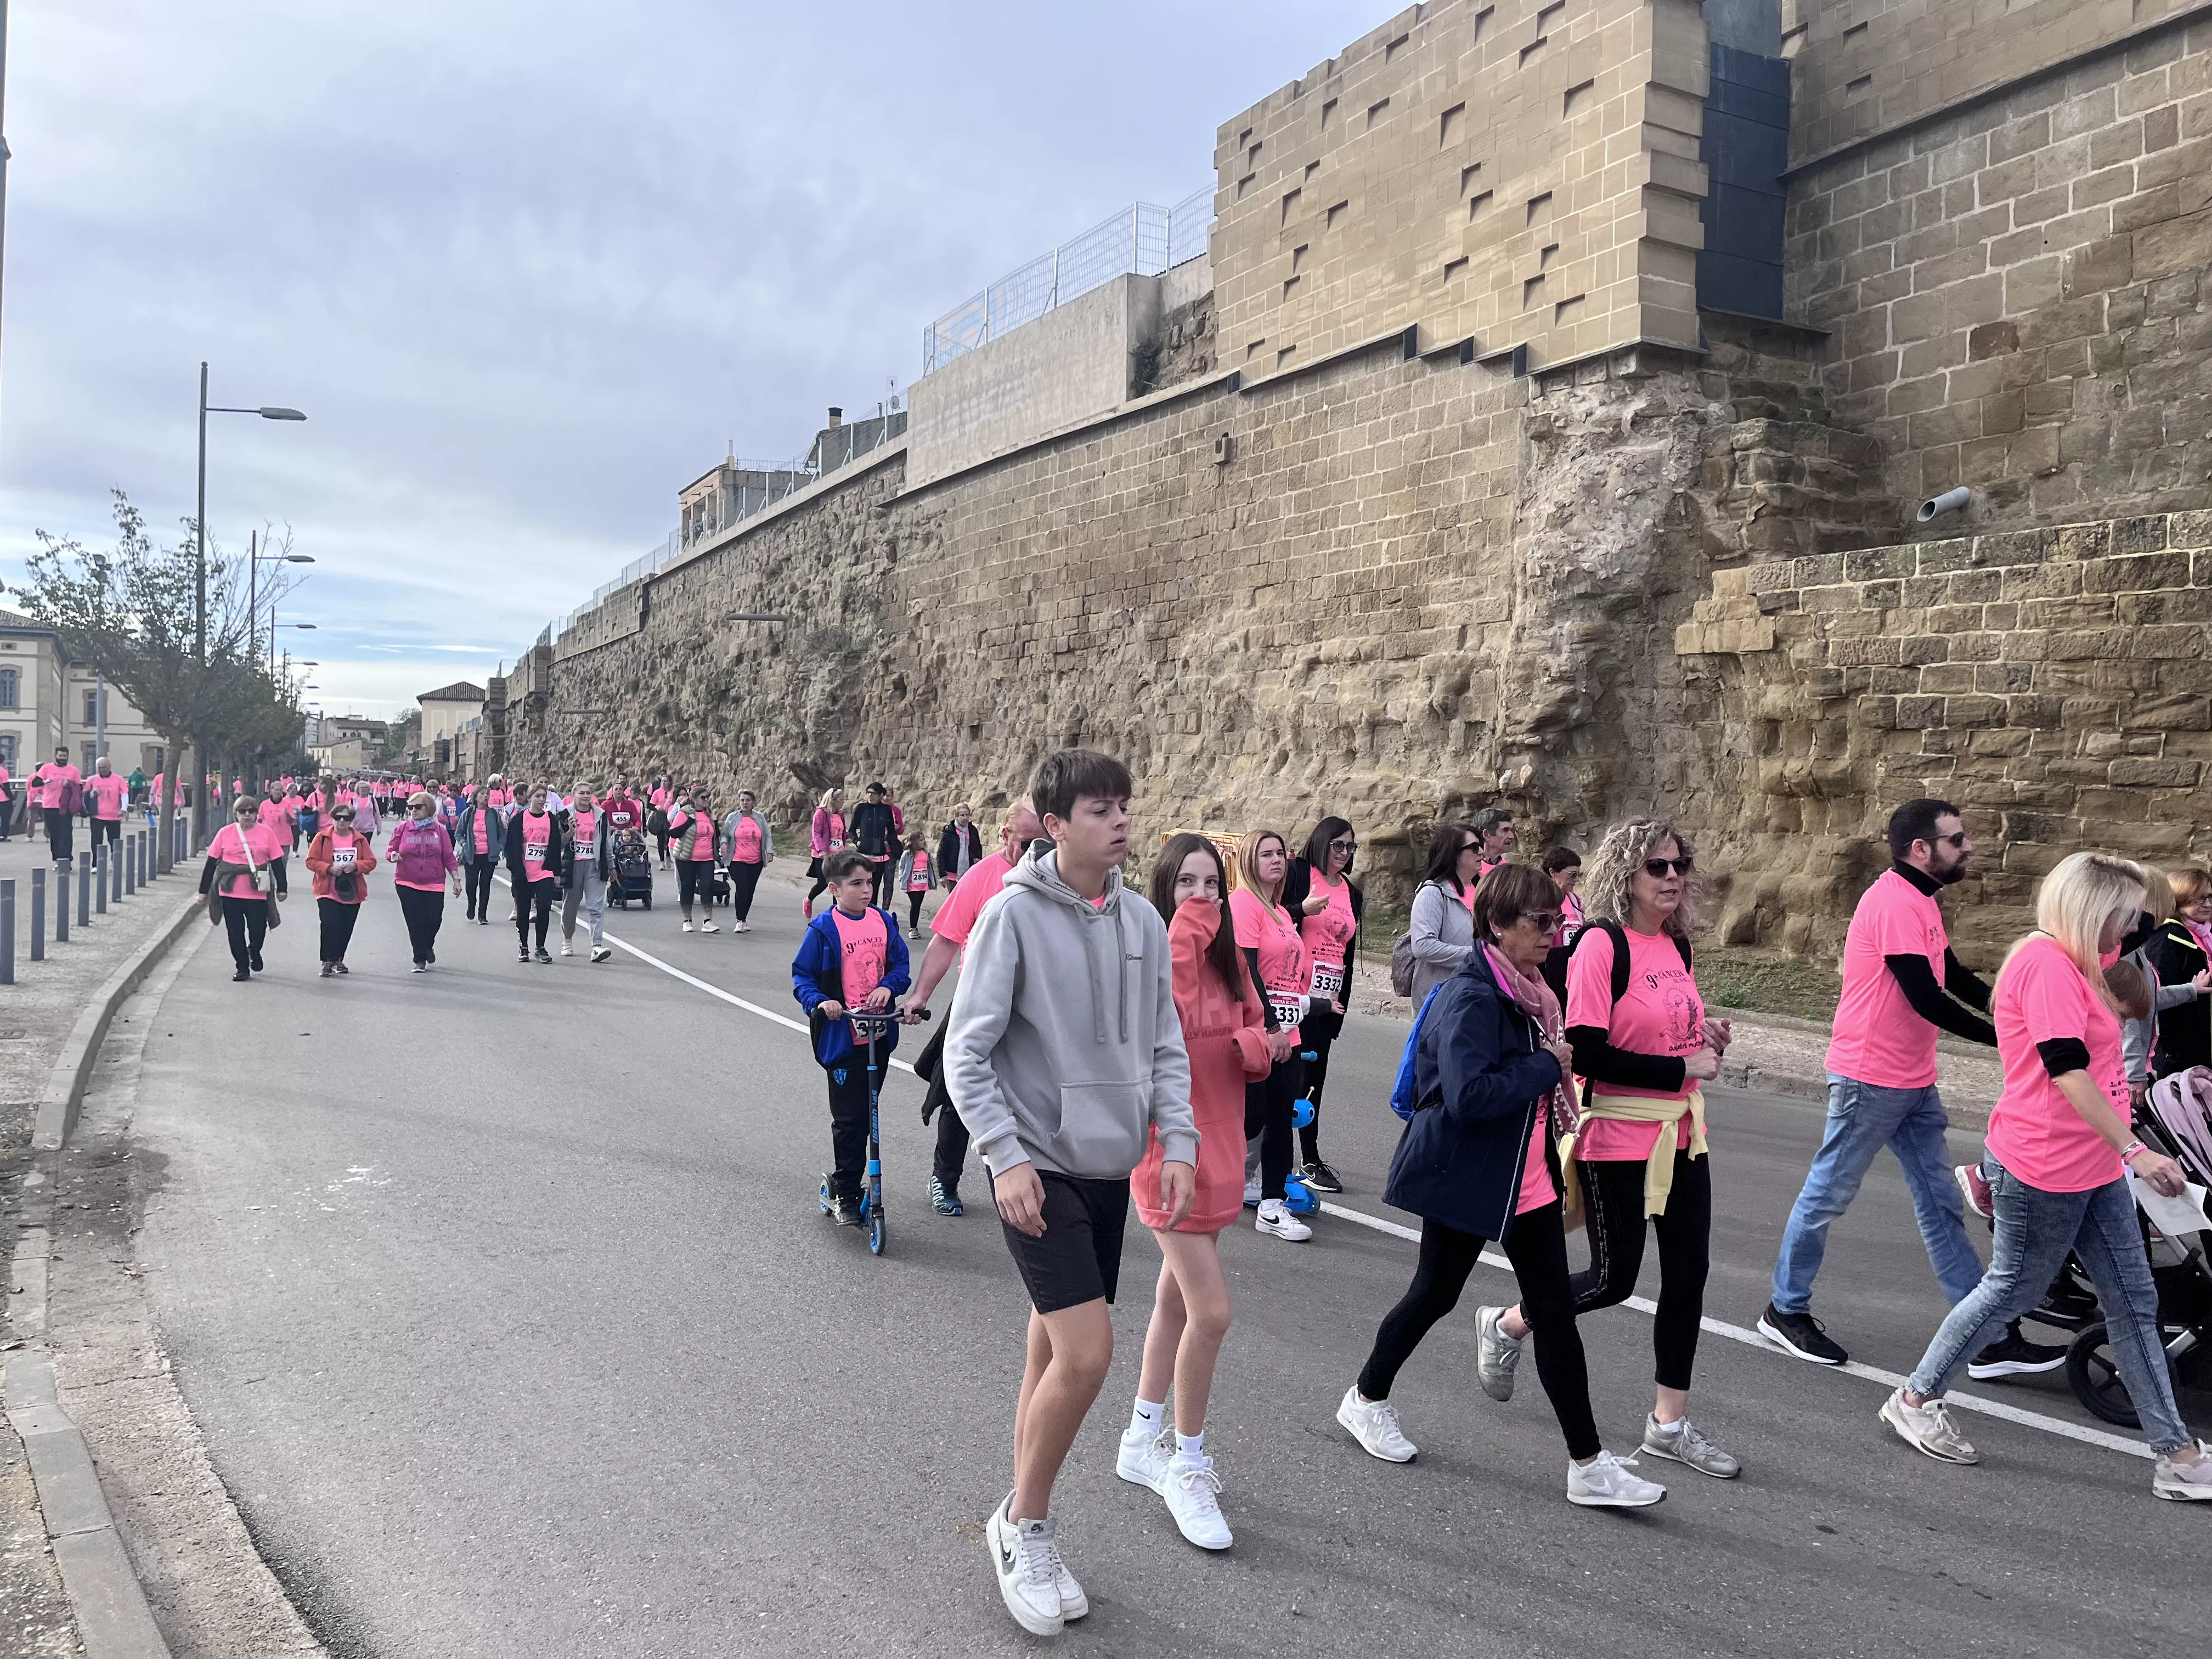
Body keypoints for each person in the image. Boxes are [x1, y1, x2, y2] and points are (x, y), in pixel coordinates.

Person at [941, 750, 1195, 1639]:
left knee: (1051, 1345)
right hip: (1037, 1163)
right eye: (1098, 808)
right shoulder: (1012, 913)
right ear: (1054, 824)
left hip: (1108, 1165)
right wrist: (1004, 1156)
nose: (1120, 820)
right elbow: (966, 1050)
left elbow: (1164, 1042)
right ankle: (1027, 1524)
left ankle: (1018, 1509)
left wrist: (1177, 1141)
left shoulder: (1142, 919)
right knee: (1088, 1354)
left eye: (1123, 805)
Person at [1880, 851, 2212, 1499]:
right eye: (2122, 916)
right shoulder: (2046, 967)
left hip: (2094, 1165)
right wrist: (2136, 1153)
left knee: (2135, 1303)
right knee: (2011, 1289)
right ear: (2091, 912)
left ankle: (2178, 1457)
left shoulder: (2089, 955)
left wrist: (2131, 900)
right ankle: (1915, 1400)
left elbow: (2142, 939)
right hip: (2044, 1166)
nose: (2133, 928)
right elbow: (2067, 1071)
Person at [1338, 864, 1666, 1509]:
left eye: (1558, 920)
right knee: (1434, 1295)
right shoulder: (1474, 998)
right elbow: (1468, 1097)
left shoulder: (1532, 990)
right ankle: (1366, 1399)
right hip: (1471, 1177)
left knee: (1555, 1315)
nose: (1553, 933)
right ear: (1496, 924)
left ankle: (1588, 1465)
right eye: (1539, 922)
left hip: (1527, 1179)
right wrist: (1544, 1065)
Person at [1760, 797, 2066, 1380]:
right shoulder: (1894, 903)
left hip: (1913, 1081)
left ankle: (1986, 1334)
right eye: (1957, 840)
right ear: (1921, 849)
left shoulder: (1921, 899)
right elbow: (1924, 996)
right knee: (1826, 1198)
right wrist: (2007, 1040)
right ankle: (1785, 1309)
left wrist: (2012, 1011)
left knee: (1941, 1204)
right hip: (1869, 1079)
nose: (1969, 847)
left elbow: (1952, 974)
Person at [1515, 817, 1742, 1480]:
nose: (1673, 877)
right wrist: (1680, 1068)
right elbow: (1586, 1051)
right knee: (1612, 1280)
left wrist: (1703, 1033)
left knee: (1689, 1275)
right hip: (1618, 1134)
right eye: (1657, 867)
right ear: (1627, 875)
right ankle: (1512, 1322)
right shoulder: (1600, 945)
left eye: (1680, 865)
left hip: (1683, 1134)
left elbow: (1661, 1027)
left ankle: (1668, 1424)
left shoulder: (1677, 946)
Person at [1118, 834, 1272, 1549]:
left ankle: (1139, 1438)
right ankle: (1187, 1460)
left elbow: (1257, 1030)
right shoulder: (1151, 958)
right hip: (1168, 1155)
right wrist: (1181, 938)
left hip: (1223, 1149)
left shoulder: (1230, 959)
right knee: (1213, 1313)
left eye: (1213, 883)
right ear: (1164, 889)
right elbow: (1153, 1032)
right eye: (1187, 882)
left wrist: (1254, 1046)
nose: (1203, 896)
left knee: (1176, 1303)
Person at [905, 804, 1045, 1216]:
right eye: (1027, 843)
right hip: (980, 1001)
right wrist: (920, 996)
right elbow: (947, 940)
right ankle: (945, 1179)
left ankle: (1041, 1186)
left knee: (1036, 1097)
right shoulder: (983, 876)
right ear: (1005, 836)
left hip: (1036, 1006)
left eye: (1045, 843)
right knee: (961, 1093)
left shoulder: (1057, 877)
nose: (1037, 852)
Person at [790, 850, 913, 1224]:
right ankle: (847, 1190)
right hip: (843, 1040)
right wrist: (821, 1001)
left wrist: (889, 987)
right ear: (834, 889)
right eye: (857, 884)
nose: (866, 890)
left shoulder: (883, 921)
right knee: (850, 1120)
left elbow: (901, 965)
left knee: (869, 1115)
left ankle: (862, 1186)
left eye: (870, 883)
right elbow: (802, 977)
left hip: (878, 1037)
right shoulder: (824, 930)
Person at [1232, 828, 1314, 1241]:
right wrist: (1270, 1027)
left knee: (1281, 1119)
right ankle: (1211, 1177)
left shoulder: (1281, 911)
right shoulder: (1244, 904)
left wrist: (1298, 1016)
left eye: (1280, 853)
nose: (1277, 860)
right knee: (1251, 1118)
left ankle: (1272, 1204)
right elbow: (1247, 971)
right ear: (1249, 860)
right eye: (1266, 854)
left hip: (1289, 1032)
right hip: (1260, 1032)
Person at [1282, 816, 1362, 1193]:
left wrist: (1340, 1002)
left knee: (1314, 1082)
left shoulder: (1352, 893)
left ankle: (1310, 1158)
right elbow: (1271, 919)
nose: (1345, 853)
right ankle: (1267, 1154)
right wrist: (1302, 909)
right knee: (1282, 1077)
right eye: (1338, 845)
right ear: (1322, 842)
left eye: (1350, 847)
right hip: (1290, 993)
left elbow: (1347, 956)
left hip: (1325, 1001)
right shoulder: (1299, 874)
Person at [200, 795, 287, 981]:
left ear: (256, 814)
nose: (247, 815)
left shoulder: (266, 833)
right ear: (236, 814)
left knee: (258, 929)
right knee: (235, 931)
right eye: (242, 811)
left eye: (251, 811)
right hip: (230, 891)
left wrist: (282, 888)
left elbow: (277, 862)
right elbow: (211, 863)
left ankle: (254, 951)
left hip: (257, 891)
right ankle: (242, 967)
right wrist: (203, 891)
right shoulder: (225, 833)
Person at [2144, 866, 2212, 1076]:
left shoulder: (2207, 935)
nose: (2208, 904)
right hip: (2181, 1053)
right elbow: (2159, 998)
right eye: (2199, 899)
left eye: (2210, 896)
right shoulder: (2167, 940)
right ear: (2179, 900)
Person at [1407, 822, 1480, 1006]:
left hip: (1476, 994)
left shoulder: (1484, 891)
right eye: (1474, 848)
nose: (1482, 852)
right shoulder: (1432, 893)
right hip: (1441, 999)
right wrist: (1476, 956)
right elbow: (1423, 946)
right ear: (1454, 854)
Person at [387, 791, 461, 972]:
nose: (413, 810)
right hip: (407, 882)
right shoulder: (402, 829)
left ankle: (428, 945)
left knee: (434, 920)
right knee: (415, 922)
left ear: (429, 809)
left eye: (418, 807)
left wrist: (456, 880)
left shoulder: (440, 831)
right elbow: (391, 851)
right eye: (410, 807)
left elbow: (448, 857)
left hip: (434, 883)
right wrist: (393, 856)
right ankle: (419, 958)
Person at [306, 800, 378, 977]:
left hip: (352, 890)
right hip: (327, 889)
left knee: (346, 927)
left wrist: (356, 866)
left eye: (346, 818)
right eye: (338, 818)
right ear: (333, 819)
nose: (342, 821)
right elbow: (311, 861)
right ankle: (327, 961)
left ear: (352, 821)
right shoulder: (322, 838)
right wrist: (329, 868)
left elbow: (371, 862)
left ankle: (338, 958)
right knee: (329, 924)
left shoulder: (359, 839)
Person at [505, 783, 569, 964]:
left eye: (544, 796)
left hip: (544, 872)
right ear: (530, 798)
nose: (541, 800)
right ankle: (524, 947)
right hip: (524, 873)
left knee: (543, 909)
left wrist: (556, 872)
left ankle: (540, 947)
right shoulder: (519, 819)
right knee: (524, 911)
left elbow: (555, 847)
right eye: (538, 796)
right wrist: (516, 870)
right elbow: (511, 847)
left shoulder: (551, 819)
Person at [561, 782, 613, 962]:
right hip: (573, 865)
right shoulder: (565, 814)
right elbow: (559, 843)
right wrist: (570, 832)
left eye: (588, 793)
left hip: (595, 865)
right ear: (573, 795)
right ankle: (567, 940)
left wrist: (611, 867)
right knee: (570, 906)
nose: (585, 796)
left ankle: (596, 947)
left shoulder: (600, 815)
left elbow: (606, 843)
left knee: (596, 907)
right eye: (581, 793)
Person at [670, 786, 721, 933]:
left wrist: (715, 822)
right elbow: (673, 833)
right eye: (703, 798)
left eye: (708, 797)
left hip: (707, 858)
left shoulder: (709, 814)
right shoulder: (685, 813)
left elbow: (716, 836)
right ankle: (688, 920)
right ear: (694, 799)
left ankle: (707, 921)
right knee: (688, 888)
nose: (706, 800)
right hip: (687, 858)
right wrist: (689, 822)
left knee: (707, 888)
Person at [722, 789, 774, 932]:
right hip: (736, 859)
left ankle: (744, 920)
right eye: (742, 800)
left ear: (753, 803)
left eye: (748, 800)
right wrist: (724, 844)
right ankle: (739, 921)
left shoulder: (760, 818)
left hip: (756, 861)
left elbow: (767, 835)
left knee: (750, 890)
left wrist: (769, 851)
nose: (745, 803)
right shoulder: (732, 817)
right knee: (743, 887)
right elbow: (725, 834)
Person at [456, 786, 504, 924]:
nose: (486, 796)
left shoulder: (494, 814)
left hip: (489, 856)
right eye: (482, 794)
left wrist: (499, 847)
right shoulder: (468, 813)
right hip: (472, 855)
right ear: (476, 797)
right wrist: (464, 844)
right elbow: (459, 833)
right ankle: (471, 905)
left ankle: (482, 914)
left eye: (488, 794)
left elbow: (502, 833)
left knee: (485, 884)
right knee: (471, 885)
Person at [852, 781, 900, 908]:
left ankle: (872, 913)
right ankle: (858, 910)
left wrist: (886, 842)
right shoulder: (861, 808)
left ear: (880, 795)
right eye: (868, 793)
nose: (870, 795)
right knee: (861, 885)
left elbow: (892, 832)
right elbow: (852, 830)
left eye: (873, 793)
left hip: (880, 856)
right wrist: (857, 841)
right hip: (863, 855)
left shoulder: (886, 810)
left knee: (874, 887)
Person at [32, 747, 81, 869]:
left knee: (66, 833)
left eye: (65, 756)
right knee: (54, 834)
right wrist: (45, 781)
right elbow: (35, 783)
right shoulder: (46, 768)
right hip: (50, 806)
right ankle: (57, 859)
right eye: (61, 756)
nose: (63, 758)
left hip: (66, 806)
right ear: (56, 756)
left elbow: (79, 787)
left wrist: (70, 784)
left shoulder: (73, 770)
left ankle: (66, 860)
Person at [805, 788, 847, 918]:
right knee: (823, 882)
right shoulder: (821, 813)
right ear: (833, 800)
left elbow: (840, 833)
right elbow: (816, 833)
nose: (843, 802)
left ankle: (837, 911)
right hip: (822, 854)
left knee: (838, 882)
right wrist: (821, 850)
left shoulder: (841, 815)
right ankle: (809, 900)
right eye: (841, 799)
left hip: (838, 853)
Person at [83, 757, 128, 864]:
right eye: (100, 768)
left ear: (110, 767)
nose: (102, 770)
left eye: (104, 767)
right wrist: (93, 793)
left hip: (114, 816)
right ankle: (96, 864)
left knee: (114, 841)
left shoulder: (119, 779)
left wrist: (124, 809)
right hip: (97, 816)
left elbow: (124, 795)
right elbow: (85, 796)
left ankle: (115, 862)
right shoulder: (92, 780)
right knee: (96, 841)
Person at [895, 832, 935, 939]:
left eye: (923, 839)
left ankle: (915, 928)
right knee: (915, 904)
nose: (923, 842)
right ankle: (913, 929)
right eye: (920, 840)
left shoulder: (926, 853)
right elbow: (901, 866)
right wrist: (901, 877)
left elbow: (930, 867)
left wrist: (931, 880)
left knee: (918, 906)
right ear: (914, 842)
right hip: (911, 885)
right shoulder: (907, 854)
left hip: (923, 885)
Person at [939, 804, 984, 888]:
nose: (965, 818)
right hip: (952, 874)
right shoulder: (949, 832)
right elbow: (941, 854)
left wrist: (978, 858)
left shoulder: (972, 830)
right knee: (954, 895)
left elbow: (978, 846)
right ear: (956, 816)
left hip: (969, 871)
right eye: (962, 815)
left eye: (967, 815)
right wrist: (942, 875)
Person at [1471, 806, 1517, 879]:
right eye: (1505, 830)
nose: (1512, 836)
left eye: (1511, 830)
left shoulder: (1509, 872)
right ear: (1486, 835)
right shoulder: (1467, 870)